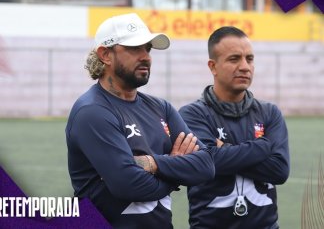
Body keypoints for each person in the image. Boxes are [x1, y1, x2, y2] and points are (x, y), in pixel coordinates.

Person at [65, 13, 218, 229]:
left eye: (147, 48)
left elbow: (205, 166)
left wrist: (153, 164)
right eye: (134, 48)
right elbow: (128, 185)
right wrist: (176, 170)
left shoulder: (161, 108)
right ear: (105, 55)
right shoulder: (92, 112)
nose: (146, 56)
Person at [179, 26, 290, 229]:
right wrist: (263, 147)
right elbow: (208, 162)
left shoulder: (270, 113)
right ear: (213, 66)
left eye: (249, 59)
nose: (245, 66)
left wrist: (225, 150)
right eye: (234, 59)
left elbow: (279, 171)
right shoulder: (191, 114)